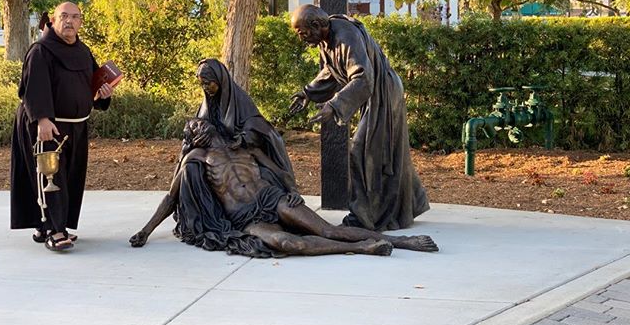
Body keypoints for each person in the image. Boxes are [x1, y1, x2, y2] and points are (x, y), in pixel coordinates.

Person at [129, 118, 438, 257]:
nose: (199, 124)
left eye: (200, 122)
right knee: (288, 244)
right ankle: (360, 248)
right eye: (193, 127)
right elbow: (172, 197)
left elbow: (279, 169)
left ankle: (403, 242)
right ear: (192, 138)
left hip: (271, 198)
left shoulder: (244, 147)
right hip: (246, 219)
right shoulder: (196, 159)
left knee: (326, 229)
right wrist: (146, 230)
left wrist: (292, 189)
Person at [289, 4, 430, 231]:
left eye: (302, 33)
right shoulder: (328, 40)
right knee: (385, 152)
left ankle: (363, 217)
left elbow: (363, 78)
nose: (302, 39)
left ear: (316, 25)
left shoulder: (346, 36)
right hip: (376, 94)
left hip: (383, 93)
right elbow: (332, 71)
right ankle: (409, 204)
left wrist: (334, 106)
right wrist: (308, 92)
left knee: (362, 151)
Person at [10, 2, 114, 252]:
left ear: (80, 22)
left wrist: (103, 93)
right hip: (49, 126)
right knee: (50, 177)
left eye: (75, 17)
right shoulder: (41, 50)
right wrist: (42, 119)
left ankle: (48, 224)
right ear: (53, 21)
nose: (69, 21)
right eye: (64, 16)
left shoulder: (83, 51)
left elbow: (89, 86)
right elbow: (34, 87)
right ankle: (55, 231)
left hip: (76, 127)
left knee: (68, 178)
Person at [194, 58, 297, 193]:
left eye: (208, 83)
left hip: (241, 152)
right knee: (191, 170)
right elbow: (199, 125)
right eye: (202, 84)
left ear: (219, 79)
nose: (205, 88)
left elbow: (256, 125)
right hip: (217, 154)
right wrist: (202, 136)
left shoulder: (240, 99)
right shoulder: (207, 104)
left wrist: (244, 138)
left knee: (264, 177)